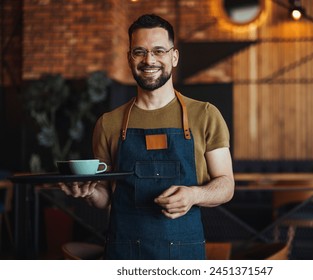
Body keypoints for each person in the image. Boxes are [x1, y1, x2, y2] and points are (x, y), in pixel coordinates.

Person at [59, 14, 234, 260]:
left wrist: (195, 195)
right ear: (129, 58)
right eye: (139, 51)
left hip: (185, 254)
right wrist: (88, 192)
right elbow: (106, 196)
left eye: (159, 51)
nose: (149, 60)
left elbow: (226, 185)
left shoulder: (205, 115)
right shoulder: (108, 123)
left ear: (174, 56)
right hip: (124, 252)